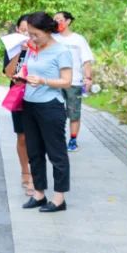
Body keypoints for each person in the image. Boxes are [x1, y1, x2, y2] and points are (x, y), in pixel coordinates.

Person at [21, 12, 73, 213]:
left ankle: (59, 198)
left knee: (56, 153)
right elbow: (29, 71)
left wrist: (43, 81)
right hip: (29, 104)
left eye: (36, 34)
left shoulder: (61, 51)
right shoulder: (33, 49)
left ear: (48, 31)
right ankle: (39, 193)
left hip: (50, 106)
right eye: (30, 34)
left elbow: (66, 81)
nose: (32, 38)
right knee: (34, 152)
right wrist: (22, 76)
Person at [53, 11, 95, 152]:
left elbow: (86, 60)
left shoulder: (78, 39)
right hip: (55, 82)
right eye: (55, 20)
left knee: (74, 113)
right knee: (56, 112)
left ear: (68, 21)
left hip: (74, 81)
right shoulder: (52, 38)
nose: (57, 22)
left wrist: (88, 78)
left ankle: (73, 140)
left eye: (60, 19)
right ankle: (57, 139)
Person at [4, 15, 33, 194]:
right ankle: (25, 172)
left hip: (37, 96)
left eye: (29, 31)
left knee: (35, 137)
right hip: (18, 96)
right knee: (22, 136)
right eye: (23, 31)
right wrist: (19, 52)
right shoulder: (12, 48)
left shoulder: (42, 47)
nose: (26, 35)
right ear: (17, 30)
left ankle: (36, 174)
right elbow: (8, 73)